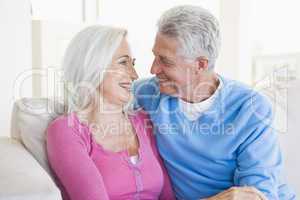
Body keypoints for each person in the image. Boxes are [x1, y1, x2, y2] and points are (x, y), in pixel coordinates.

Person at [133, 5, 296, 200]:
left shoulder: (250, 108)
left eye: (165, 61)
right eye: (154, 56)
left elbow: (257, 195)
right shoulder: (147, 94)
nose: (153, 69)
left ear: (200, 64)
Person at [46, 25, 175, 200]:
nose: (134, 75)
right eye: (123, 63)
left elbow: (168, 196)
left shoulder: (144, 121)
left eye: (133, 64)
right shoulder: (67, 130)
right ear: (93, 66)